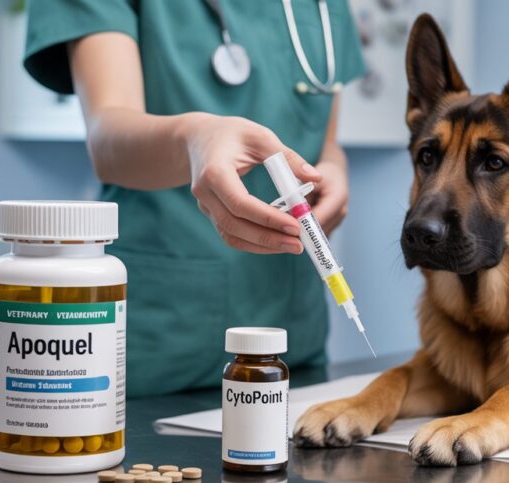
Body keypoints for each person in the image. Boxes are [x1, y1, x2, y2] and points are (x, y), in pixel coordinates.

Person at [24, 1, 364, 396]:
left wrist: (333, 167)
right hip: (164, 343)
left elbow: (324, 140)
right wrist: (195, 140)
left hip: (293, 341)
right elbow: (106, 140)